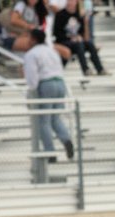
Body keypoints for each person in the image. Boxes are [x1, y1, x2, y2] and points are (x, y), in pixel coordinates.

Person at [23, 28, 74, 161]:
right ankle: (66, 139)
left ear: (33, 39)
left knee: (43, 120)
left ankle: (49, 151)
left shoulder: (31, 54)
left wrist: (31, 92)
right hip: (60, 82)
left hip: (46, 84)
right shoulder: (51, 50)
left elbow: (32, 77)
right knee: (55, 118)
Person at [53, 0, 109, 75]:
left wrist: (86, 23)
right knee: (79, 45)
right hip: (64, 41)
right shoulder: (60, 15)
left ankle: (100, 69)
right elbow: (57, 33)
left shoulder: (79, 15)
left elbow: (86, 37)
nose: (71, 3)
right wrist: (71, 38)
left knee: (90, 44)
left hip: (78, 41)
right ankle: (85, 69)